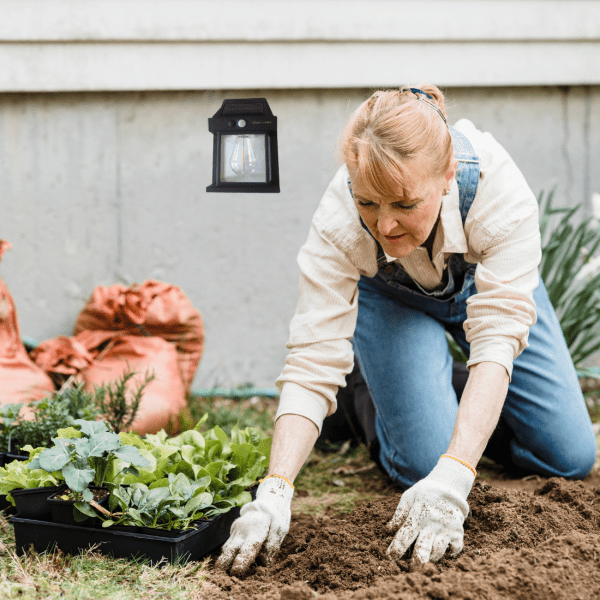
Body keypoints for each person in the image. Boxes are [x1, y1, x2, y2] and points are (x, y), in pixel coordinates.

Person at [216, 85, 597, 576]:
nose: (386, 225)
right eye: (368, 203)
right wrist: (275, 490)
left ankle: (414, 386)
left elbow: (498, 338)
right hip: (390, 300)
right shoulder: (338, 223)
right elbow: (312, 359)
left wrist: (458, 473)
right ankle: (363, 395)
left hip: (488, 290)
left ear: (446, 176)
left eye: (403, 202)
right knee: (422, 465)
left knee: (568, 455)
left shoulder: (498, 192)